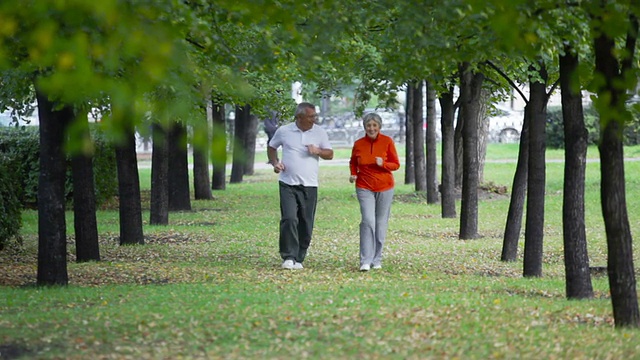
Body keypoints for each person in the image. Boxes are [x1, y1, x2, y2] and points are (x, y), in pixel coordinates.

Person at [267, 102, 334, 270]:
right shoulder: (284, 131)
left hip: (310, 185)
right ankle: (288, 256)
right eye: (311, 116)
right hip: (287, 183)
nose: (314, 119)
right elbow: (272, 147)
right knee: (289, 218)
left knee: (306, 221)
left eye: (315, 116)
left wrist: (318, 151)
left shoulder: (319, 132)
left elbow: (330, 154)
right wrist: (275, 163)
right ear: (299, 117)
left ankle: (299, 256)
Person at [349, 112, 400, 271]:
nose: (371, 128)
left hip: (385, 186)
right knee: (367, 221)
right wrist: (353, 174)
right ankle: (365, 260)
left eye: (374, 125)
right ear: (364, 127)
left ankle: (377, 259)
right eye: (368, 125)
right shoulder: (358, 144)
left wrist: (383, 163)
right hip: (364, 186)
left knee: (380, 224)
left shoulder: (387, 141)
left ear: (379, 127)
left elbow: (396, 164)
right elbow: (353, 162)